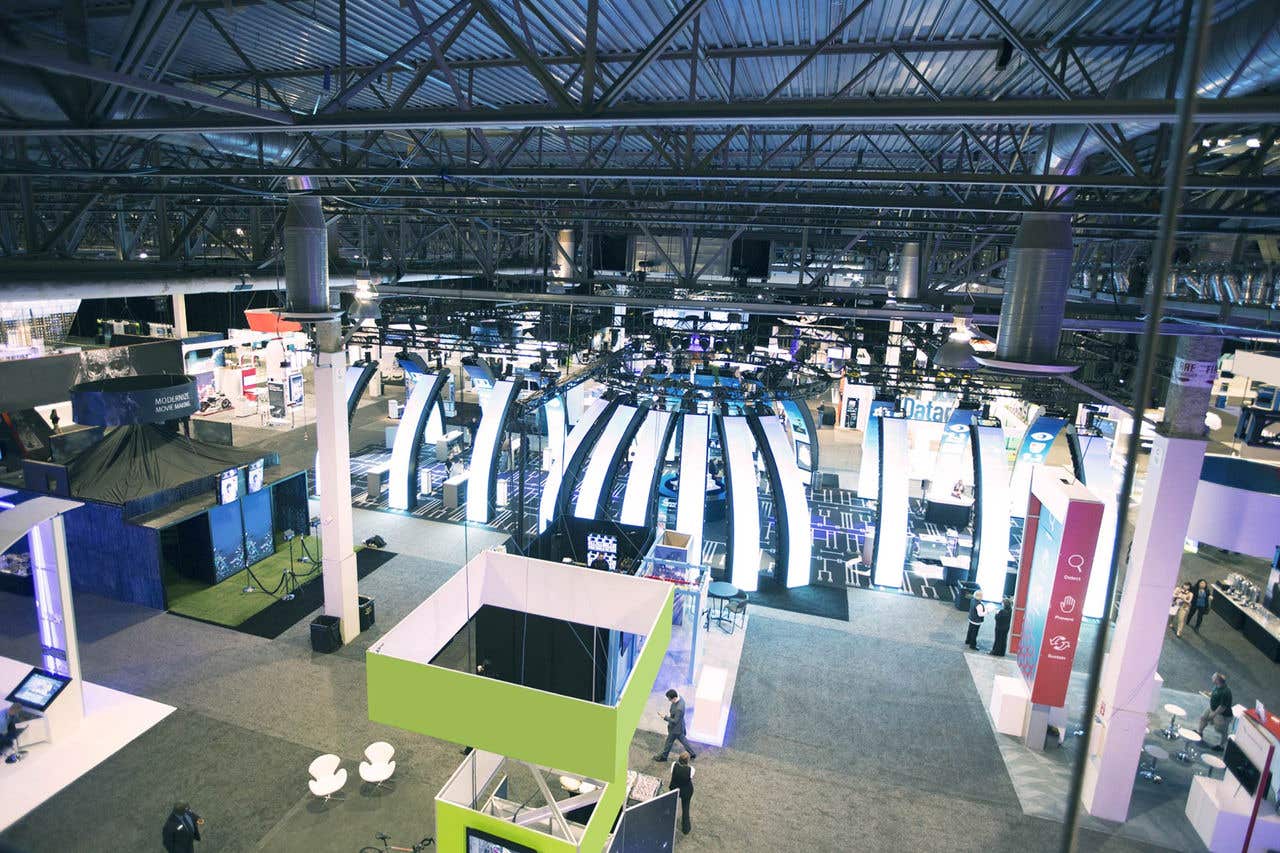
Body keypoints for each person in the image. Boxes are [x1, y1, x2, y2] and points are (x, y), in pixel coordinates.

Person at [653, 689, 696, 762]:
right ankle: (692, 754)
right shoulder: (680, 698)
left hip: (675, 729)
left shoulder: (679, 708)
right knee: (683, 741)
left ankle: (664, 757)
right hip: (680, 726)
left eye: (670, 699)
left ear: (674, 698)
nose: (669, 701)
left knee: (668, 743)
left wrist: (665, 717)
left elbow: (675, 721)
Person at [1196, 672, 1233, 750]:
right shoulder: (1217, 686)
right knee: (1203, 718)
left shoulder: (1226, 692)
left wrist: (1213, 715)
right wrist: (1208, 694)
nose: (1212, 678)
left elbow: (1222, 707)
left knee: (1221, 729)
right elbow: (1214, 693)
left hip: (1222, 714)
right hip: (1212, 708)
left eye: (1213, 678)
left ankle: (1222, 746)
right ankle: (1199, 733)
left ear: (1217, 680)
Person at [668, 752, 695, 835]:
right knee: (685, 809)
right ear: (688, 761)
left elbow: (673, 773)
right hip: (686, 791)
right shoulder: (691, 770)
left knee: (671, 806)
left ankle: (668, 822)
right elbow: (690, 777)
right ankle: (686, 828)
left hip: (675, 789)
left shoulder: (674, 765)